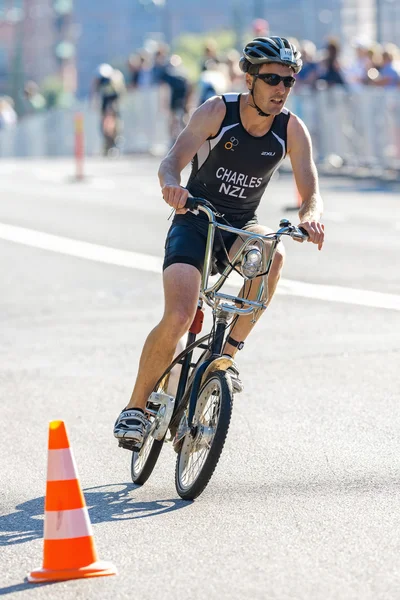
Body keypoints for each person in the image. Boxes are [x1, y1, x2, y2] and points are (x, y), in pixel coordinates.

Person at [114, 36, 325, 448]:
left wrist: (312, 217)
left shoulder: (291, 129)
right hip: (196, 220)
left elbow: (310, 188)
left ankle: (224, 357)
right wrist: (172, 186)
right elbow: (171, 162)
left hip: (239, 227)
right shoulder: (217, 112)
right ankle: (135, 408)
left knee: (274, 251)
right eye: (272, 79)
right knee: (178, 316)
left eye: (289, 81)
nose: (281, 89)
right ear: (250, 79)